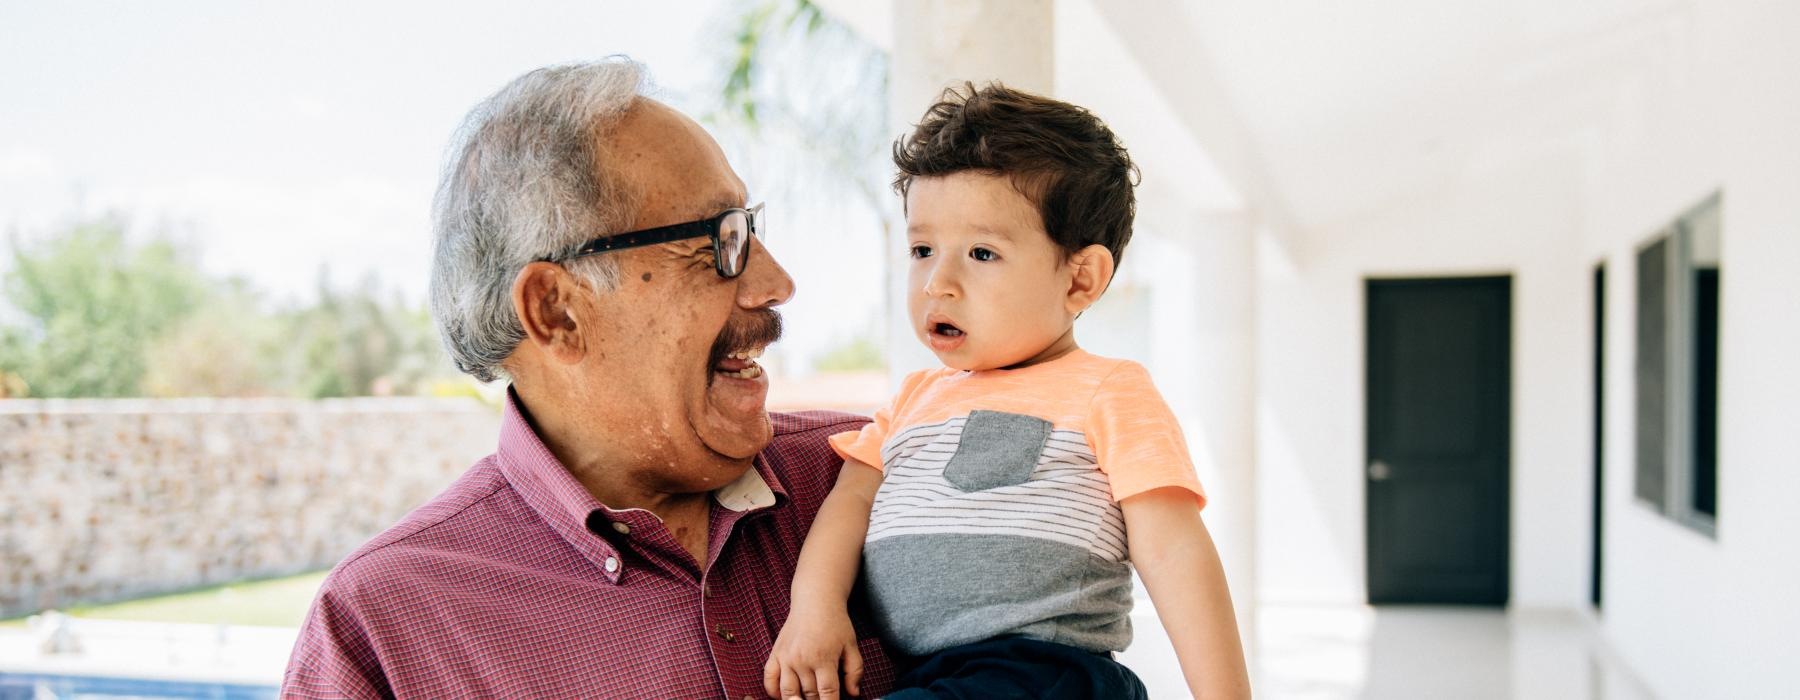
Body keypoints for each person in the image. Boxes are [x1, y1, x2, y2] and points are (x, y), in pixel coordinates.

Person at [281, 58, 897, 698]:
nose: (776, 285)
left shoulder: (883, 473)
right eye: (722, 242)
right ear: (557, 311)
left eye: (751, 229)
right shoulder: (382, 630)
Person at [764, 84, 1253, 700]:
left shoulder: (1107, 389)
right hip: (930, 673)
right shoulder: (913, 400)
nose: (938, 282)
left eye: (981, 252)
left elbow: (1174, 550)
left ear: (1081, 279)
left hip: (1045, 670)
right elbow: (848, 506)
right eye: (922, 249)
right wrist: (814, 610)